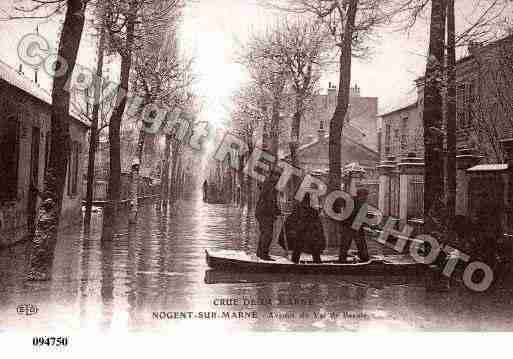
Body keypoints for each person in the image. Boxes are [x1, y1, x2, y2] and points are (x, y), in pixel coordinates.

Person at [279, 193, 326, 264]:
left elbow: (317, 226)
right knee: (300, 250)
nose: (306, 203)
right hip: (302, 237)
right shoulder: (304, 211)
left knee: (304, 250)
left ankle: (315, 262)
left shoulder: (308, 211)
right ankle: (316, 263)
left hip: (306, 237)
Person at [335, 188, 370, 263]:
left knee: (360, 243)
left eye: (366, 196)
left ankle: (364, 258)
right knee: (346, 243)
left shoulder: (362, 203)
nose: (366, 198)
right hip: (348, 225)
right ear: (360, 195)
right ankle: (342, 259)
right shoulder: (351, 202)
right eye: (365, 196)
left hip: (356, 226)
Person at [255, 172, 281, 261]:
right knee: (268, 235)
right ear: (273, 176)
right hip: (265, 213)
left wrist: (276, 210)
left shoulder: (269, 184)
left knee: (264, 233)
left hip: (262, 212)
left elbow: (272, 201)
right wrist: (276, 211)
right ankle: (264, 255)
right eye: (277, 176)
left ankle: (259, 253)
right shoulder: (270, 186)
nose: (278, 178)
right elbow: (270, 202)